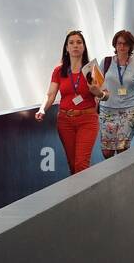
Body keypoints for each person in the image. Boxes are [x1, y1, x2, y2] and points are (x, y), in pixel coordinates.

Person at [35, 30, 100, 173]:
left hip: (87, 119)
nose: (75, 46)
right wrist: (42, 109)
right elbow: (51, 94)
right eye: (71, 43)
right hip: (65, 121)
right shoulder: (59, 71)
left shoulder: (92, 69)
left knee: (81, 165)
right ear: (66, 48)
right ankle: (77, 195)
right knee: (72, 165)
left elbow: (106, 94)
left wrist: (98, 92)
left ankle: (85, 195)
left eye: (79, 42)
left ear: (84, 47)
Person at [95, 29, 134, 159]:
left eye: (125, 44)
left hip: (129, 110)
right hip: (107, 110)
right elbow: (98, 86)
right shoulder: (106, 62)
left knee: (122, 148)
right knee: (107, 152)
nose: (122, 47)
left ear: (130, 46)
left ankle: (122, 177)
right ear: (115, 45)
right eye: (119, 43)